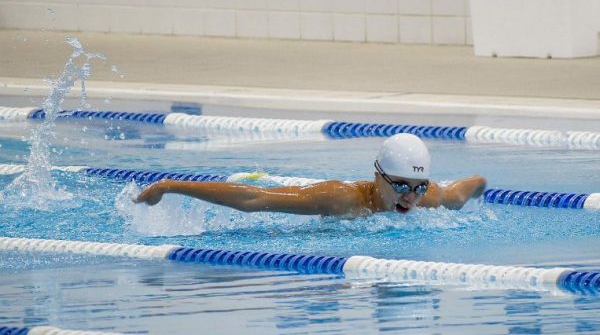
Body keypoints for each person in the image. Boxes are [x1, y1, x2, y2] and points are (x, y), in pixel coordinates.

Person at [134, 133, 486, 217]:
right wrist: (171, 186)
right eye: (400, 185)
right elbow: (257, 199)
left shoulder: (428, 200)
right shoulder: (341, 197)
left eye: (418, 187)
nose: (410, 197)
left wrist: (482, 185)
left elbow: (462, 189)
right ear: (377, 176)